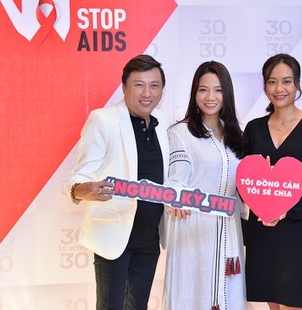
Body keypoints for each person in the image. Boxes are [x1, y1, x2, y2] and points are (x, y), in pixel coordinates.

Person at [68, 54, 170, 310]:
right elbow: (81, 175)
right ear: (124, 87)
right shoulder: (103, 120)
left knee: (138, 307)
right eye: (139, 84)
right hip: (113, 237)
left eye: (154, 85)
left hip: (150, 239)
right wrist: (84, 190)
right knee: (110, 306)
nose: (147, 93)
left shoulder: (165, 123)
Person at [242, 53, 302, 310]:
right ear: (265, 86)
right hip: (263, 228)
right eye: (272, 82)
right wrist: (263, 204)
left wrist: (287, 209)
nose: (279, 89)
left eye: (287, 81)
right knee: (272, 301)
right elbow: (244, 178)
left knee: (294, 303)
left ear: (297, 85)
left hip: (300, 229)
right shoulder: (253, 129)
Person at [162, 61, 246, 310]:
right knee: (193, 295)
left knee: (229, 296)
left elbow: (243, 186)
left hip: (229, 229)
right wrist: (176, 198)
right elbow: (175, 181)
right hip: (193, 227)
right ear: (194, 93)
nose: (210, 97)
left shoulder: (236, 136)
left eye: (218, 90)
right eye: (203, 90)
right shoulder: (181, 133)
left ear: (227, 94)